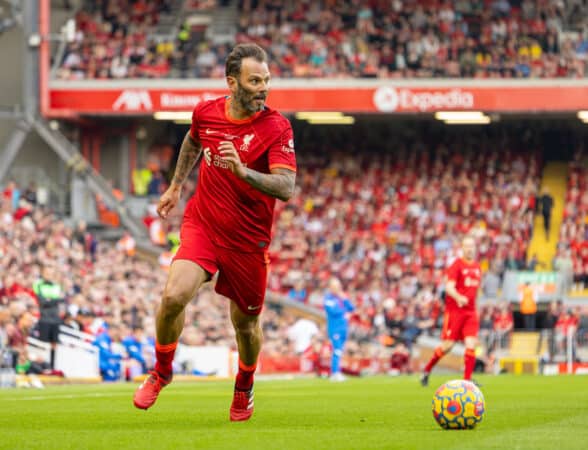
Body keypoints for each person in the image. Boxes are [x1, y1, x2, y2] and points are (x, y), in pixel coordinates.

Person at [133, 43, 297, 422]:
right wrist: (176, 186)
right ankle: (161, 371)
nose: (263, 87)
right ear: (232, 82)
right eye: (255, 80)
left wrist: (244, 173)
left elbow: (286, 187)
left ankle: (244, 385)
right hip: (203, 224)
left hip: (248, 240)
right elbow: (193, 140)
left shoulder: (276, 126)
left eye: (267, 80)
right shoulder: (206, 113)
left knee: (245, 324)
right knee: (174, 295)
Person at [421, 236, 482, 386]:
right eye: (467, 246)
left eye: (472, 246)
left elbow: (477, 291)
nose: (469, 249)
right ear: (462, 248)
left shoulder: (477, 267)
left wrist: (477, 309)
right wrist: (459, 297)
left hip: (471, 312)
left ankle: (467, 381)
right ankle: (427, 369)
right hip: (455, 312)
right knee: (448, 346)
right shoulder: (456, 265)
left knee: (471, 345)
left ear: (475, 248)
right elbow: (449, 287)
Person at [33, 265, 65, 369]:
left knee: (54, 344)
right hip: (44, 318)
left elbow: (59, 299)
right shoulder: (38, 284)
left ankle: (52, 366)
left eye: (51, 273)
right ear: (42, 273)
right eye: (47, 273)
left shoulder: (56, 285)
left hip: (55, 319)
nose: (49, 275)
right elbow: (42, 301)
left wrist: (50, 300)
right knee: (42, 344)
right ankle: (41, 366)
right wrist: (53, 300)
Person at [323, 277, 355, 382]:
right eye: (335, 286)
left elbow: (352, 308)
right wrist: (345, 312)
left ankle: (337, 372)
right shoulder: (328, 299)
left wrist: (345, 299)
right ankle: (335, 373)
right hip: (335, 328)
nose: (338, 288)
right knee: (336, 350)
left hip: (343, 328)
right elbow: (333, 311)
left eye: (339, 286)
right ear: (331, 287)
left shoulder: (341, 298)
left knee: (340, 351)